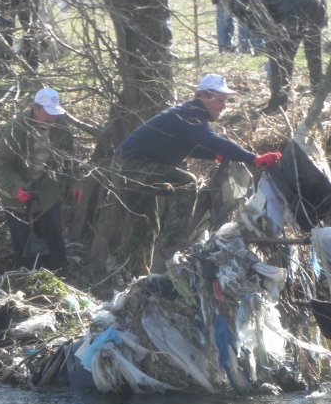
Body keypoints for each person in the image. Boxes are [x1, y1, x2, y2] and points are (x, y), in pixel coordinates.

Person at [107, 74, 281, 276]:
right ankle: (174, 247)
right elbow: (212, 140)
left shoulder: (188, 115)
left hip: (131, 167)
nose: (224, 106)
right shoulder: (190, 115)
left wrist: (215, 155)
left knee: (145, 222)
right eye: (220, 100)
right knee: (186, 183)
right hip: (129, 168)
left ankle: (138, 275)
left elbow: (185, 145)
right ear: (206, 96)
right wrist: (254, 158)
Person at [0, 87, 82, 272]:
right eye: (48, 113)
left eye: (54, 113)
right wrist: (17, 189)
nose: (52, 118)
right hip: (16, 195)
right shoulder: (15, 130)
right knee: (25, 247)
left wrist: (76, 182)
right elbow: (2, 166)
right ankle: (27, 280)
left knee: (54, 240)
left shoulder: (61, 128)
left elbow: (69, 159)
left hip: (48, 191)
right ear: (36, 108)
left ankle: (59, 277)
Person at [231, 0, 328, 114]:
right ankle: (318, 93)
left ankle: (278, 103)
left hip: (300, 3)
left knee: (281, 57)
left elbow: (270, 27)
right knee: (313, 52)